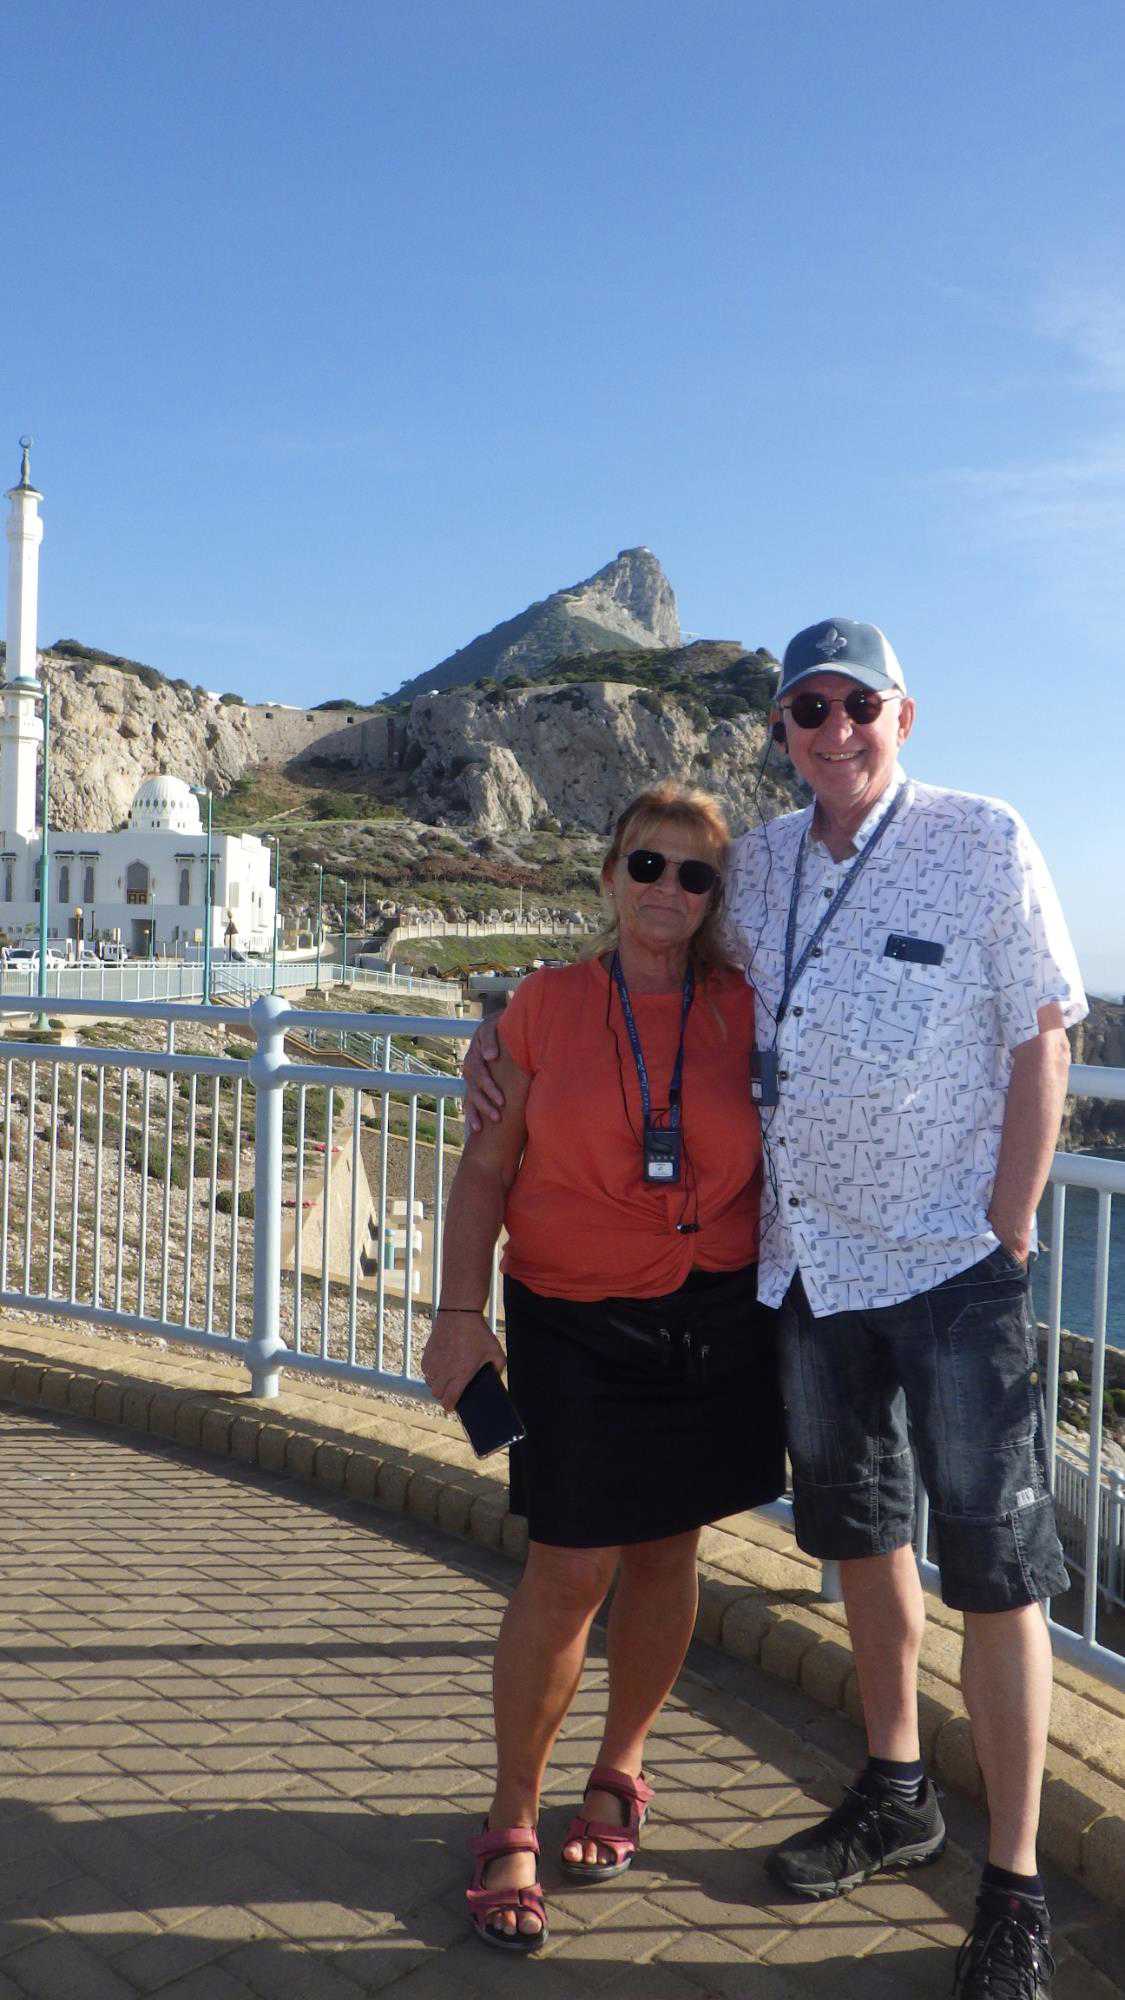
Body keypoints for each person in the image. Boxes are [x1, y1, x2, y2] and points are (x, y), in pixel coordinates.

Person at [464, 621, 1085, 2000]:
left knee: (996, 1572)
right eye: (808, 708)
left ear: (902, 715)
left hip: (950, 1269)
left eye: (857, 703)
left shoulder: (982, 838)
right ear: (783, 730)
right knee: (863, 1542)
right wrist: (492, 1033)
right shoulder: (758, 863)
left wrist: (1009, 1221)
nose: (833, 728)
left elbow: (1043, 1030)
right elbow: (653, 948)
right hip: (806, 1274)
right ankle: (895, 1788)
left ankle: (1016, 1884)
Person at [422, 780, 785, 1954]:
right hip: (571, 1317)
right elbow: (486, 1170)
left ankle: (622, 1766)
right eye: (647, 863)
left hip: (711, 1313)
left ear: (716, 896)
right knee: (570, 1565)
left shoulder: (746, 1007)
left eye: (695, 873)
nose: (668, 888)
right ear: (610, 873)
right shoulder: (543, 1006)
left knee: (670, 1548)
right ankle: (512, 1812)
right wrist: (458, 1312)